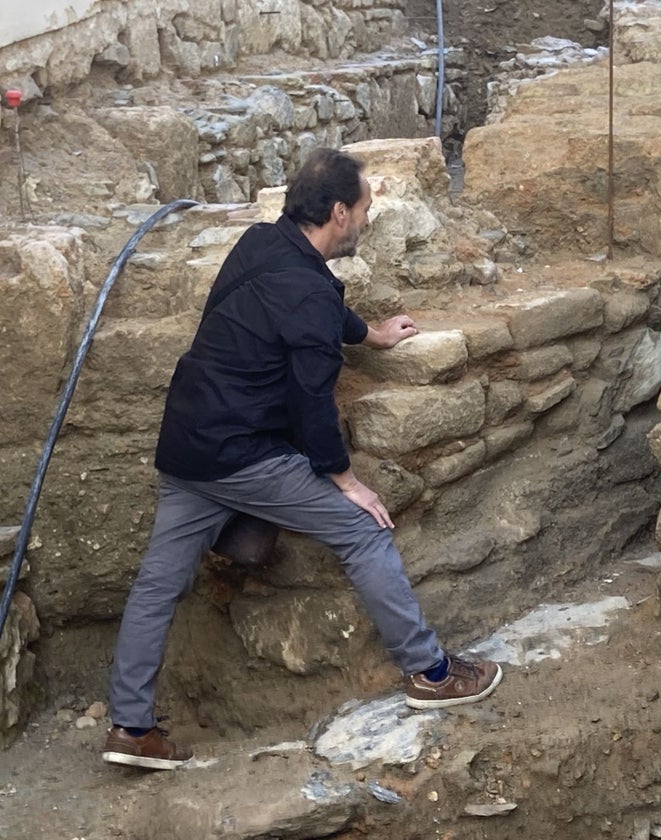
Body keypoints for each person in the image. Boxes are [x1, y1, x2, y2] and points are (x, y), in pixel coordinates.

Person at [102, 147, 503, 771]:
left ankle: (130, 729)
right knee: (362, 532)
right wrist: (345, 480)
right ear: (339, 213)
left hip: (187, 442)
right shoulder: (310, 294)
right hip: (244, 454)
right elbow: (313, 400)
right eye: (365, 208)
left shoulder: (261, 244)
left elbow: (310, 306)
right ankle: (430, 672)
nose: (368, 219)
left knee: (158, 583)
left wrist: (368, 333)